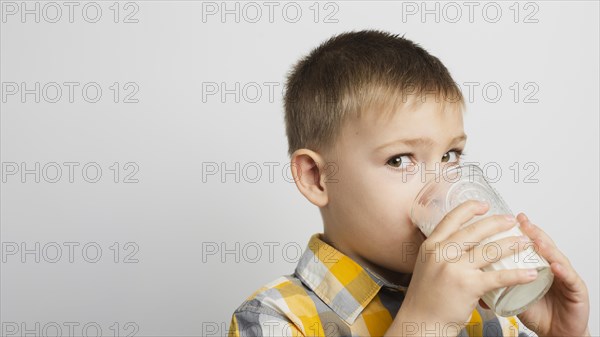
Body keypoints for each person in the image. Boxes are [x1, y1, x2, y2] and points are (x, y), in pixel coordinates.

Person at [227, 29, 590, 337]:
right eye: (400, 160)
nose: (438, 187)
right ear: (317, 178)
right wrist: (424, 323)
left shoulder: (490, 309)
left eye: (450, 155)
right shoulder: (275, 317)